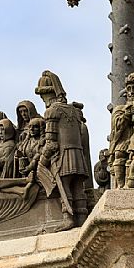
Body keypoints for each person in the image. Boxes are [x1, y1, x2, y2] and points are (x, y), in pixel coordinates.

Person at [35, 70, 89, 231]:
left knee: (64, 186)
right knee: (78, 187)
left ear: (47, 95)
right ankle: (82, 218)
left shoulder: (51, 112)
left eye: (43, 96)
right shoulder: (74, 111)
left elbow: (51, 143)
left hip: (63, 156)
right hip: (78, 154)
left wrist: (42, 161)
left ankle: (68, 218)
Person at [109, 72, 134, 189]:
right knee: (119, 153)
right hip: (124, 139)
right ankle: (120, 185)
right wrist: (126, 115)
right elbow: (117, 128)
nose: (131, 92)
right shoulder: (120, 109)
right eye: (129, 88)